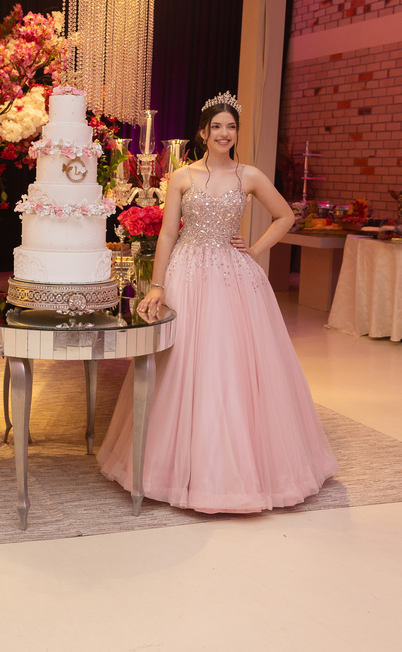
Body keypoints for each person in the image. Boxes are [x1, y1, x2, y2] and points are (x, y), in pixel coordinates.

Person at [97, 93, 338, 513]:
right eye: (217, 127)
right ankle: (171, 468)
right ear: (203, 133)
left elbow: (285, 216)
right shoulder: (183, 177)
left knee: (231, 364)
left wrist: (255, 249)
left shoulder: (250, 175)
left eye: (231, 127)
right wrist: (156, 286)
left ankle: (236, 471)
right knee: (181, 362)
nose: (224, 133)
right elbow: (168, 234)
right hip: (187, 272)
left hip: (233, 276)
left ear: (236, 133)